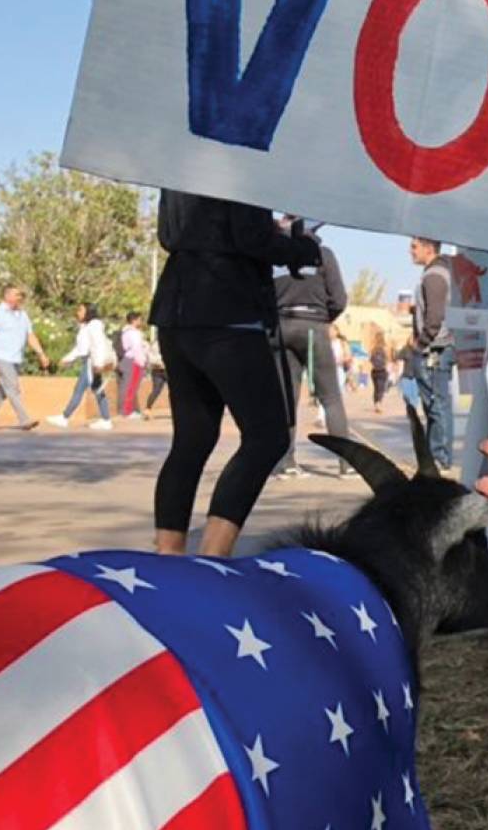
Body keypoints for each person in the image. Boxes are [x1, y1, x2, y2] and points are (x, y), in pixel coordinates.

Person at [149, 190, 321, 558]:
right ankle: (214, 555)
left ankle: (168, 555)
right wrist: (300, 249)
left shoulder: (175, 169)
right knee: (267, 437)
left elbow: (171, 235)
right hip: (228, 312)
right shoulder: (240, 165)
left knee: (192, 439)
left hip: (175, 311)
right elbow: (250, 238)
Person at [273, 226, 350, 479]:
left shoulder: (274, 253)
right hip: (313, 326)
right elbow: (339, 299)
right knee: (330, 398)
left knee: (286, 399)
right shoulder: (323, 254)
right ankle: (347, 464)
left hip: (281, 327)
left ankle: (286, 463)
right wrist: (323, 318)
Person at [405, 236, 455, 470]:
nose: (410, 251)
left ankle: (439, 457)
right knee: (436, 404)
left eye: (414, 246)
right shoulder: (437, 273)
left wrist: (420, 343)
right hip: (435, 346)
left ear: (428, 247)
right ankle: (436, 455)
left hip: (434, 349)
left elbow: (435, 317)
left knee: (436, 404)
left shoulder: (434, 275)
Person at [0, 285, 51, 430]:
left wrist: (41, 353)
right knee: (13, 387)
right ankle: (24, 419)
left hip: (16, 358)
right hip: (1, 357)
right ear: (7, 296)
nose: (20, 298)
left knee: (3, 390)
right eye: (17, 294)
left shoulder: (22, 315)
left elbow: (30, 336)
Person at [46, 303, 115, 431]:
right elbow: (81, 348)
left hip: (92, 362)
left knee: (93, 390)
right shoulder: (87, 326)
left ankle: (65, 417)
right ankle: (104, 419)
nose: (78, 312)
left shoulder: (94, 326)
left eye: (81, 310)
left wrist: (98, 364)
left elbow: (97, 345)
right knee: (93, 389)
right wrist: (67, 359)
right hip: (90, 362)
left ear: (88, 311)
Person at [117, 311, 150, 420]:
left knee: (128, 386)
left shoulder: (126, 332)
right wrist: (142, 362)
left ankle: (127, 410)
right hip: (134, 361)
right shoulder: (134, 333)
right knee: (131, 386)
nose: (141, 321)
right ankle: (127, 411)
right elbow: (137, 349)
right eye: (139, 319)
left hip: (128, 360)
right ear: (134, 320)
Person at [368, 325, 391, 414]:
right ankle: (379, 403)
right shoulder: (385, 347)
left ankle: (376, 404)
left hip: (374, 370)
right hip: (382, 370)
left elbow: (370, 359)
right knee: (381, 388)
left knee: (376, 388)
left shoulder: (373, 348)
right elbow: (388, 358)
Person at [143, 334, 169, 414]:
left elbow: (149, 356)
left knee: (156, 390)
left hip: (155, 369)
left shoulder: (154, 344)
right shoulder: (167, 343)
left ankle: (147, 409)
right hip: (165, 368)